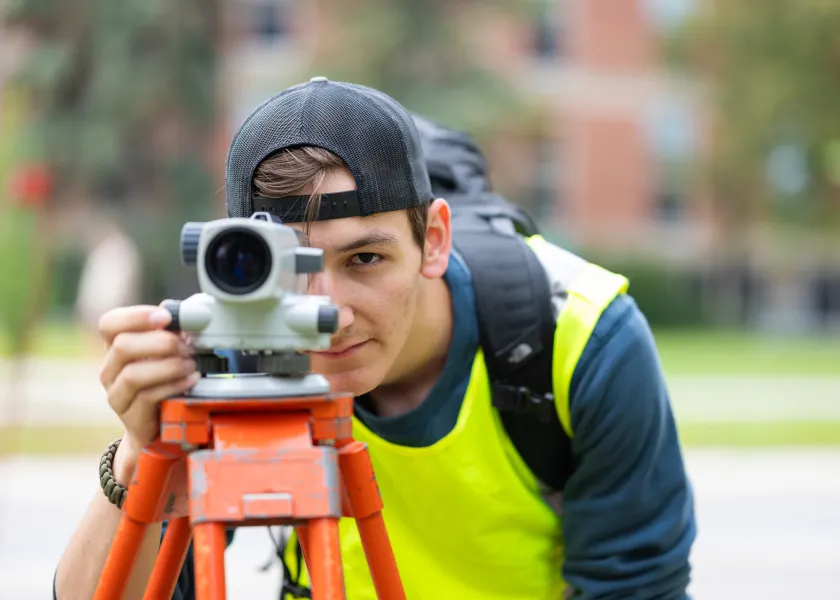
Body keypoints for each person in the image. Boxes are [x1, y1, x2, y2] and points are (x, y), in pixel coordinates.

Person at [54, 77, 697, 600]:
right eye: (291, 268)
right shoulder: (230, 355)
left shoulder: (579, 338)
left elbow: (637, 589)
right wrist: (140, 453)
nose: (329, 312)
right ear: (240, 264)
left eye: (364, 259)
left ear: (434, 240)